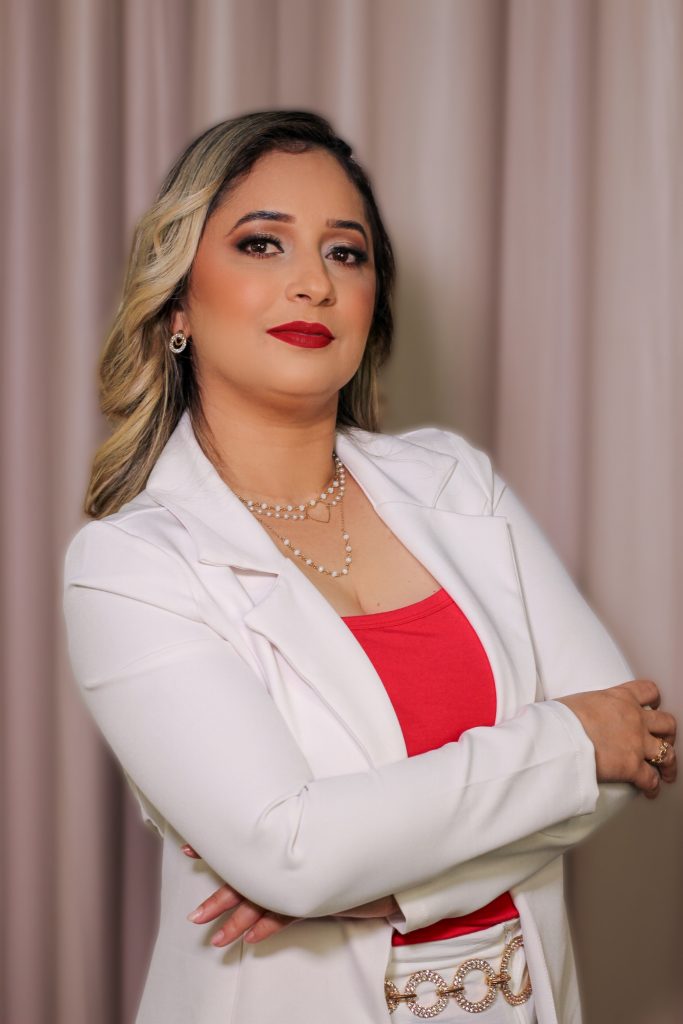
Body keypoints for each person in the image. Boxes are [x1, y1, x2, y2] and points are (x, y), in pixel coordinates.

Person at [62, 110, 676, 1024]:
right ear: (177, 301)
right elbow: (295, 851)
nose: (312, 282)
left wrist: (385, 884)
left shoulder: (454, 482)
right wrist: (566, 744)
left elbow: (630, 750)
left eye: (344, 254)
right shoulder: (130, 564)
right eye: (262, 243)